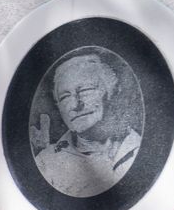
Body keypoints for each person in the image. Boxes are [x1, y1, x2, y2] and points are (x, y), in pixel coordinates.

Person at [32, 53, 141, 197]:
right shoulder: (46, 162)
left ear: (112, 92)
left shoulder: (141, 145)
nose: (75, 105)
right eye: (64, 97)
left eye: (85, 90)